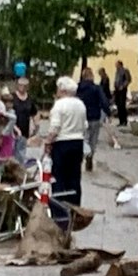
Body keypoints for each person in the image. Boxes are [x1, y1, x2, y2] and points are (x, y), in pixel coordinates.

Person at [43, 75, 88, 228]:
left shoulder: (59, 105)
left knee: (59, 177)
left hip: (62, 143)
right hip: (78, 143)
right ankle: (75, 208)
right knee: (74, 177)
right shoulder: (81, 105)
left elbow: (55, 127)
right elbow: (85, 125)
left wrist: (48, 141)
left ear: (62, 90)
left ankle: (60, 212)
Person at [75, 66, 110, 149]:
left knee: (83, 138)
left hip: (81, 118)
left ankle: (83, 155)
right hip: (94, 117)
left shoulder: (77, 88)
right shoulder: (97, 88)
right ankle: (90, 157)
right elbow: (104, 102)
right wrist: (108, 112)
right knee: (93, 140)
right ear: (91, 76)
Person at [9, 76, 38, 159]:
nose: (23, 87)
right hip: (12, 130)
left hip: (24, 130)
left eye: (25, 86)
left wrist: (36, 126)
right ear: (17, 85)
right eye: (21, 85)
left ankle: (19, 170)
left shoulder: (30, 99)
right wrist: (14, 127)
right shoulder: (12, 97)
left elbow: (34, 113)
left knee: (21, 154)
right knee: (11, 153)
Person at [113, 61, 132, 126]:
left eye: (117, 65)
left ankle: (124, 121)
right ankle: (121, 121)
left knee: (122, 105)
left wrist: (123, 86)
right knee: (118, 105)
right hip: (117, 90)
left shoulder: (125, 71)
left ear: (120, 65)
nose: (116, 66)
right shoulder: (117, 72)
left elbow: (128, 79)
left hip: (122, 90)